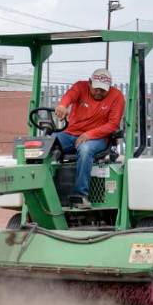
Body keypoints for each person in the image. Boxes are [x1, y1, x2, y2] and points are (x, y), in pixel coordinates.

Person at [53, 68, 125, 209]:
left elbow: (112, 124)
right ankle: (48, 192)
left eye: (103, 90)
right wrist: (62, 105)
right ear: (90, 82)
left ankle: (80, 195)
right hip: (71, 134)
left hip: (98, 138)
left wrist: (89, 135)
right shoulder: (80, 87)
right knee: (48, 143)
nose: (98, 92)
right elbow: (70, 96)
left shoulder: (117, 97)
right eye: (96, 89)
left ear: (109, 87)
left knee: (85, 150)